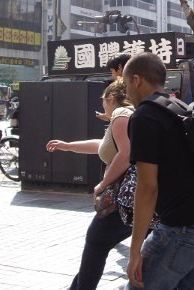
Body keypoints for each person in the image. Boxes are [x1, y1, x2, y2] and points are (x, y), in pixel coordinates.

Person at [123, 52, 194, 289]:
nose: (126, 93)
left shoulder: (144, 116)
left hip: (182, 231)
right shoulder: (179, 107)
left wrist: (135, 250)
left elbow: (148, 187)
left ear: (136, 80)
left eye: (126, 84)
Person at [46, 79, 134, 290]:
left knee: (95, 242)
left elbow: (125, 154)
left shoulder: (121, 116)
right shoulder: (127, 115)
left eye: (103, 101)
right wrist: (67, 146)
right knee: (100, 244)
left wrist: (103, 183)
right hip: (138, 197)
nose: (103, 106)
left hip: (124, 197)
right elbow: (103, 147)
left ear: (111, 99)